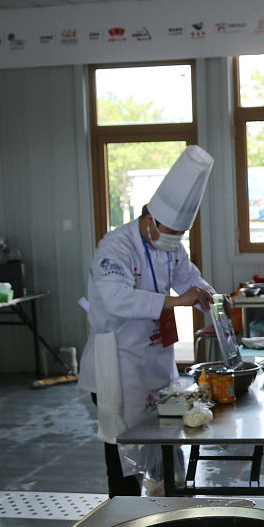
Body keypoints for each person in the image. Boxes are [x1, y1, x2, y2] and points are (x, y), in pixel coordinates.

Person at [78, 145, 218, 497]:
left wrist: (210, 298)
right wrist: (178, 301)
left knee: (167, 444)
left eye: (179, 235)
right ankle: (125, 516)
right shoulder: (115, 247)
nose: (174, 241)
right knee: (124, 456)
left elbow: (190, 279)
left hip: (157, 362)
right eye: (169, 232)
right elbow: (116, 298)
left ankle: (168, 508)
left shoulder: (170, 246)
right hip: (119, 364)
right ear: (150, 220)